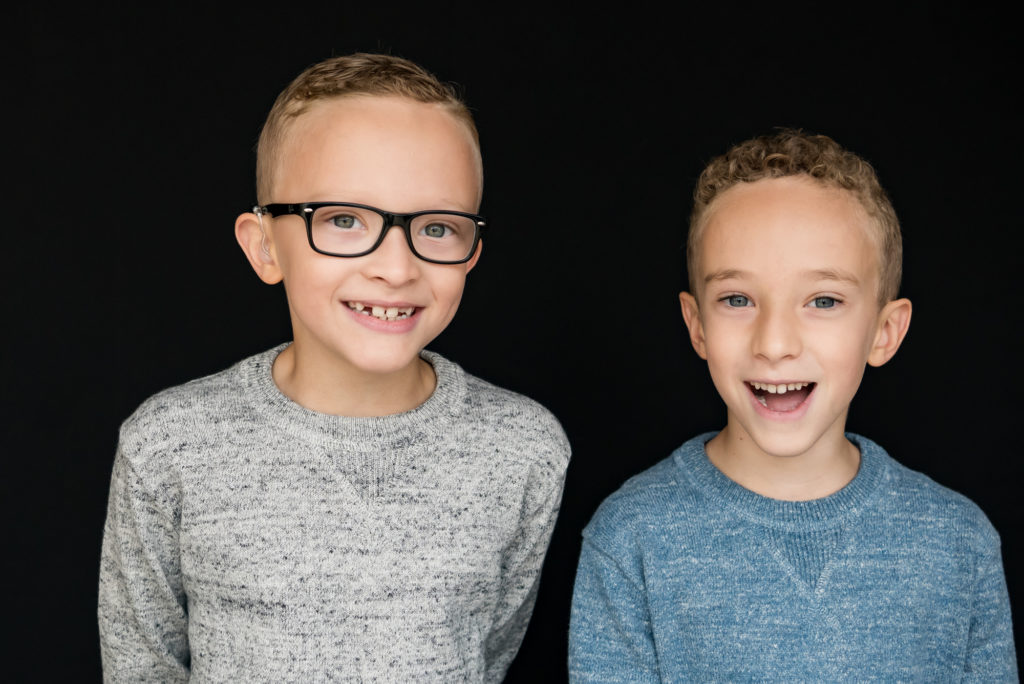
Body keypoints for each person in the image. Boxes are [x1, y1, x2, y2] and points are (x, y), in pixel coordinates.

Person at [98, 53, 570, 682]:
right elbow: (142, 670)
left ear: (472, 251)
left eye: (437, 227)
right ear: (265, 245)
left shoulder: (524, 449)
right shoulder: (167, 445)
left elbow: (489, 656)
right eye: (344, 220)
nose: (396, 268)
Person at [568, 129, 1017, 680]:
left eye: (823, 300)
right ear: (697, 326)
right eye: (737, 299)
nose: (775, 343)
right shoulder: (631, 538)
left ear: (884, 331)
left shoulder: (959, 543)